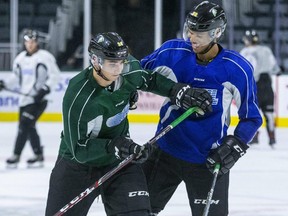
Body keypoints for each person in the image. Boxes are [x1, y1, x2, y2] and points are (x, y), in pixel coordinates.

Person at [44, 32, 212, 216]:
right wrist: (115, 145)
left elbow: (149, 79)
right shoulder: (79, 96)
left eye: (121, 62)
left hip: (120, 161)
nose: (118, 69)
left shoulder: (128, 68)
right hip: (76, 166)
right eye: (112, 64)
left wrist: (176, 91)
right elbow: (79, 149)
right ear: (95, 61)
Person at [140, 1, 263, 216]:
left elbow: (252, 118)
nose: (191, 36)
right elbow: (136, 74)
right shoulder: (172, 51)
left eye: (199, 32)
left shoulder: (236, 69)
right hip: (165, 152)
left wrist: (236, 144)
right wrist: (173, 90)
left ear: (217, 32)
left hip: (208, 160)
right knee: (136, 211)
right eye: (190, 29)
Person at [0, 29, 60, 168]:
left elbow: (55, 75)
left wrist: (45, 89)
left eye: (33, 42)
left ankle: (16, 155)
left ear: (37, 42)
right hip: (25, 100)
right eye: (28, 42)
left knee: (24, 124)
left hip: (39, 100)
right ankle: (38, 154)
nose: (30, 45)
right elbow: (15, 77)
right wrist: (4, 84)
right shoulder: (20, 58)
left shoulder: (45, 57)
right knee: (29, 126)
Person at [240, 29, 281, 147]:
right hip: (267, 84)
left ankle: (254, 136)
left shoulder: (245, 52)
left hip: (254, 85)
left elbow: (243, 70)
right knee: (269, 112)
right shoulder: (266, 50)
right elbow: (275, 68)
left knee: (253, 112)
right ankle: (272, 138)